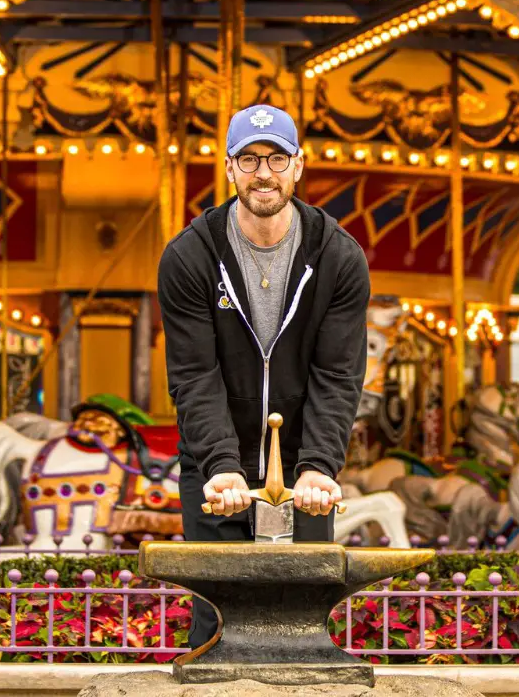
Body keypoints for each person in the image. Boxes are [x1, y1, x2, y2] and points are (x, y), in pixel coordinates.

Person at [157, 104, 370, 648]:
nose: (263, 173)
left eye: (276, 157)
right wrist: (222, 465)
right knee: (215, 627)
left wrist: (320, 464)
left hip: (304, 477)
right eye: (248, 160)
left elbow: (338, 374)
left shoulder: (339, 257)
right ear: (229, 169)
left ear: (298, 165)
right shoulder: (190, 257)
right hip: (215, 468)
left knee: (303, 627)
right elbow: (193, 374)